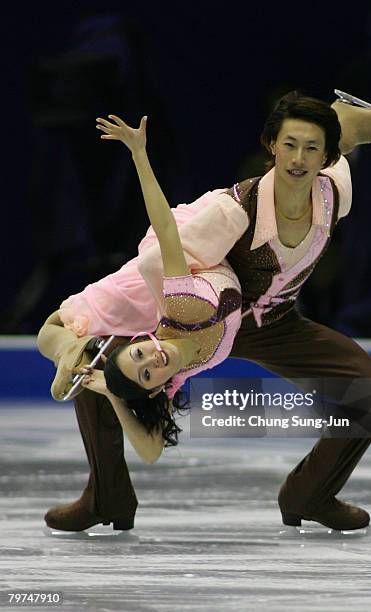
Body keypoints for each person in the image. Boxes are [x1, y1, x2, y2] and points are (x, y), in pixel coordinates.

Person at [39, 89, 371, 532]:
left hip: (273, 323)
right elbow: (160, 255)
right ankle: (108, 498)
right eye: (288, 145)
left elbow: (332, 151)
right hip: (202, 315)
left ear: (325, 158)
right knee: (103, 360)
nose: (298, 159)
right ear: (271, 146)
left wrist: (343, 133)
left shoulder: (333, 193)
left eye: (312, 149)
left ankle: (311, 494)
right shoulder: (231, 210)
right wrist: (170, 314)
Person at [38, 115, 242, 530]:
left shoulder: (180, 306)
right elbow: (150, 452)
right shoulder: (174, 376)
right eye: (148, 373)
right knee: (86, 360)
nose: (155, 359)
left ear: (140, 339)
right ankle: (76, 355)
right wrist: (115, 393)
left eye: (141, 354)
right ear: (155, 388)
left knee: (58, 328)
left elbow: (165, 227)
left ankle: (71, 353)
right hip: (202, 277)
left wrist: (139, 154)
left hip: (162, 273)